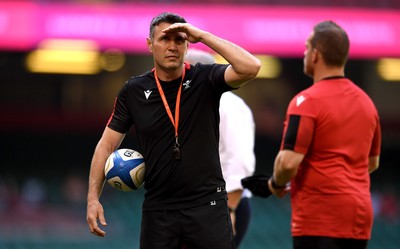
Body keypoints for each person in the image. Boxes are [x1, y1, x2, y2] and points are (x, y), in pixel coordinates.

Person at [86, 12, 261, 249]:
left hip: (207, 206)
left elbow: (251, 67)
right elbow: (107, 145)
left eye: (179, 40)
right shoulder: (134, 91)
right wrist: (93, 198)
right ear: (150, 44)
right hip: (159, 210)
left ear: (188, 45)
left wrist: (203, 35)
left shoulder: (204, 79)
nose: (172, 46)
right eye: (164, 39)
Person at [267, 21, 381, 249]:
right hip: (359, 218)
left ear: (316, 55)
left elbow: (288, 163)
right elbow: (372, 162)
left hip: (319, 218)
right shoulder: (367, 103)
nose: (304, 53)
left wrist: (277, 183)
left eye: (307, 47)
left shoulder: (306, 102)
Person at [184, 49, 256, 248]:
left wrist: (229, 210)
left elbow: (239, 161)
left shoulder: (228, 105)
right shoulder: (190, 104)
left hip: (221, 206)